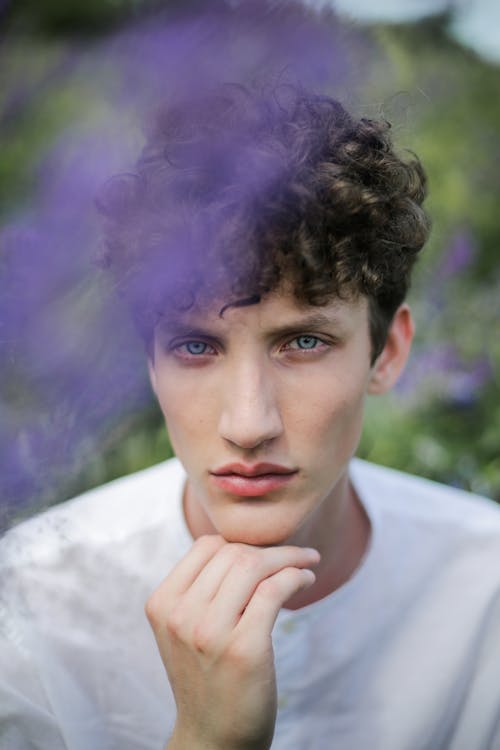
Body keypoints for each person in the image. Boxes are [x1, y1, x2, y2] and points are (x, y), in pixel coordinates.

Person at [2, 84, 500, 750]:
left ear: (388, 353)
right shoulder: (29, 599)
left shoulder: (486, 590)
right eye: (195, 346)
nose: (248, 423)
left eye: (303, 343)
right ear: (148, 362)